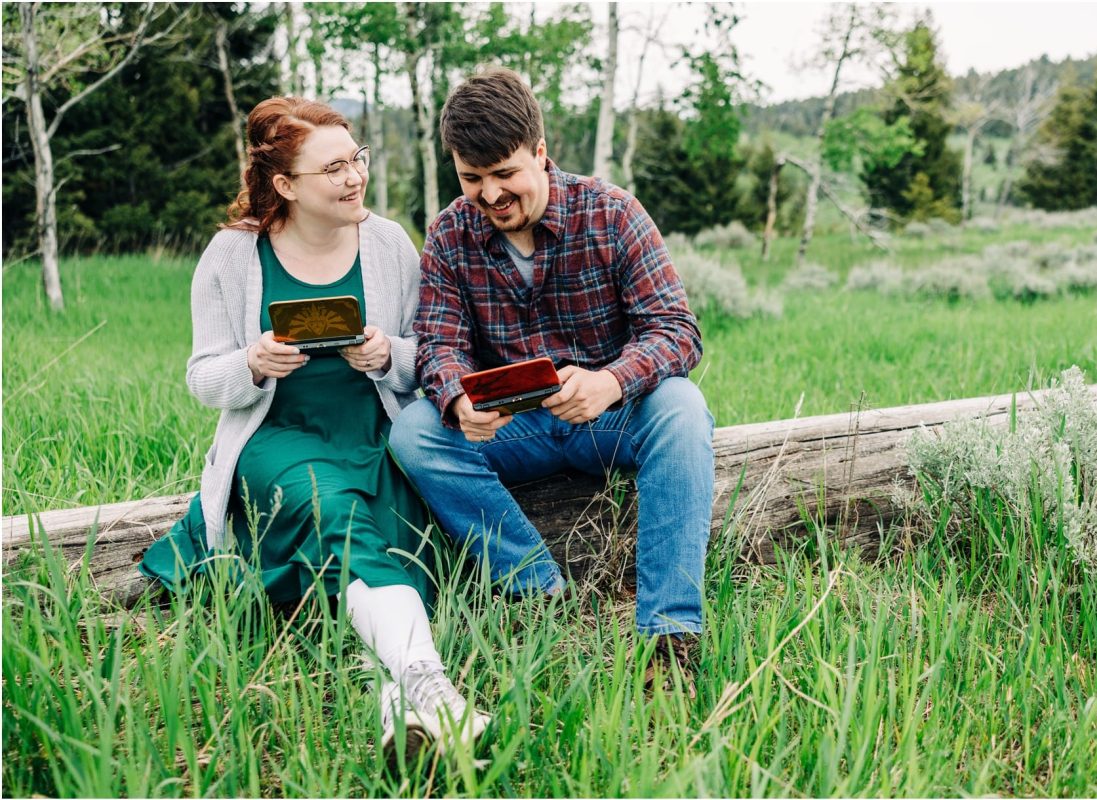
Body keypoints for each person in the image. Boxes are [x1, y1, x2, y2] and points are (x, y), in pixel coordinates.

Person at [138, 97, 488, 757]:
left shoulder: (386, 244)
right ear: (285, 185)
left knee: (374, 549)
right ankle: (432, 684)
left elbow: (434, 358)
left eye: (355, 159)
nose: (354, 176)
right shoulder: (231, 256)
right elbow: (201, 378)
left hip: (376, 435)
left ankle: (400, 709)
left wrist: (390, 355)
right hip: (279, 442)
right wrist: (252, 362)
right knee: (333, 515)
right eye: (332, 169)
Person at [389, 67, 715, 694]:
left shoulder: (613, 213)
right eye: (472, 178)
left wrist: (611, 381)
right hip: (515, 431)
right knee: (414, 431)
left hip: (610, 420)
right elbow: (438, 343)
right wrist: (457, 397)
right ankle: (538, 592)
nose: (489, 195)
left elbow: (678, 331)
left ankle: (670, 636)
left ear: (541, 153)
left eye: (505, 174)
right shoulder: (451, 234)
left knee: (681, 406)